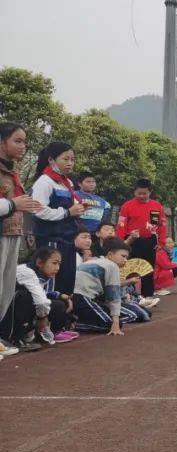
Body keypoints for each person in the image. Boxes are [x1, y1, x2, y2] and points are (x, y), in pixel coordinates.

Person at [1, 123, 44, 358]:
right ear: (1, 141)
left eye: (24, 141)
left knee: (5, 292)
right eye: (17, 141)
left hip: (12, 234)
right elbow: (10, 203)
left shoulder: (13, 171)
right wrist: (13, 205)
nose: (23, 146)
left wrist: (26, 206)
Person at [31, 141, 86, 296]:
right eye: (65, 159)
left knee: (67, 279)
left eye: (72, 159)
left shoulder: (67, 182)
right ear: (51, 160)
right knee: (52, 281)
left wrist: (78, 209)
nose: (70, 163)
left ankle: (64, 316)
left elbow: (70, 209)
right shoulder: (44, 182)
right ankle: (49, 315)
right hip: (51, 238)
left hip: (67, 238)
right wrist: (68, 212)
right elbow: (39, 211)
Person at [1, 247, 80, 349]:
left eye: (59, 264)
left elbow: (42, 294)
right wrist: (43, 319)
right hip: (5, 312)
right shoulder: (26, 272)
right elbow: (41, 301)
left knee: (58, 304)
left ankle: (45, 334)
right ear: (39, 263)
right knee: (25, 297)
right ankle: (13, 337)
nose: (57, 268)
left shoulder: (41, 275)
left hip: (19, 307)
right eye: (54, 263)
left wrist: (59, 295)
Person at [73, 236, 134, 335]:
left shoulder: (96, 261)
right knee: (112, 324)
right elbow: (113, 297)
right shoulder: (112, 266)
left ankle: (80, 320)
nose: (125, 260)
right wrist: (115, 323)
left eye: (126, 257)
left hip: (76, 297)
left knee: (114, 318)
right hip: (83, 298)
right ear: (110, 254)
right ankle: (77, 324)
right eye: (123, 256)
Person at [117, 178, 167, 297]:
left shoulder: (156, 206)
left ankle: (148, 296)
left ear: (150, 192)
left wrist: (161, 242)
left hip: (150, 241)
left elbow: (160, 225)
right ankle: (130, 296)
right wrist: (121, 243)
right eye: (139, 193)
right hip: (132, 241)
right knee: (129, 269)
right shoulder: (127, 206)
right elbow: (121, 225)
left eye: (144, 193)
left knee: (148, 270)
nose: (142, 196)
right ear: (134, 192)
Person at [75, 171, 112, 236]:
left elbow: (105, 220)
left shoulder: (103, 202)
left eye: (93, 182)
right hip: (77, 233)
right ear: (79, 184)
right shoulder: (73, 195)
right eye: (88, 182)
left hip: (96, 235)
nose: (92, 184)